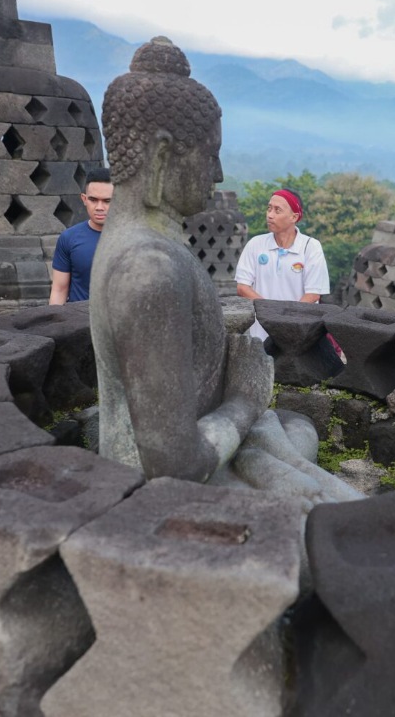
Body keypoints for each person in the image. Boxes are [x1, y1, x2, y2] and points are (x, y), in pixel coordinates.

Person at [88, 36, 271, 481]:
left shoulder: (140, 243)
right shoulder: (149, 269)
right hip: (153, 492)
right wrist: (245, 400)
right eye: (211, 155)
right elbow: (175, 463)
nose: (219, 173)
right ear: (165, 154)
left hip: (156, 456)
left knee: (296, 431)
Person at [235, 189, 331, 340]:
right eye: (269, 208)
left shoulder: (310, 247)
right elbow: (242, 287)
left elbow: (312, 294)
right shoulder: (256, 244)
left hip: (298, 332)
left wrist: (286, 321)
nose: (270, 215)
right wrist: (271, 313)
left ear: (294, 217)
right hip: (260, 333)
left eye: (277, 210)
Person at [49, 167, 114, 304]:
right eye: (93, 200)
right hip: (79, 321)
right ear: (84, 199)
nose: (99, 207)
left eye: (107, 201)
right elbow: (59, 290)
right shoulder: (69, 238)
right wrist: (55, 323)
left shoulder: (135, 239)